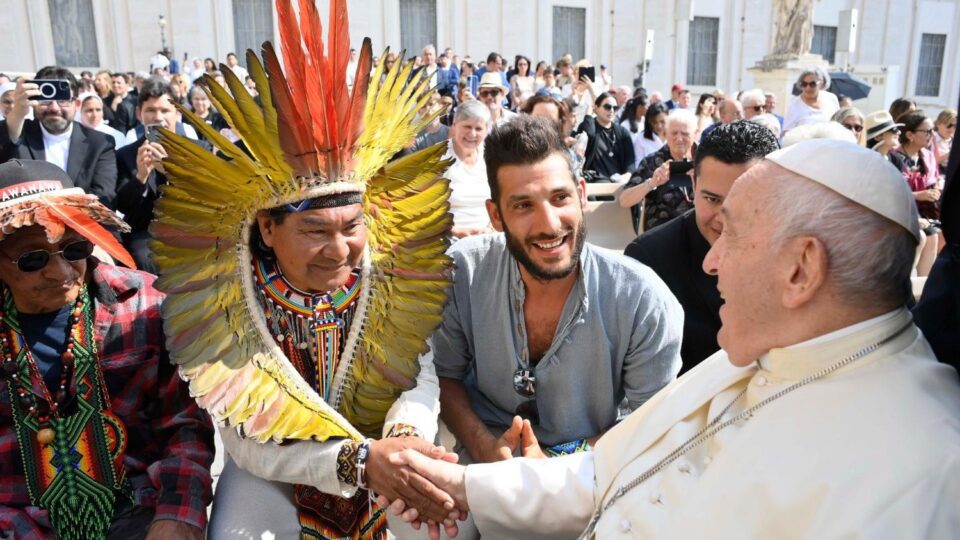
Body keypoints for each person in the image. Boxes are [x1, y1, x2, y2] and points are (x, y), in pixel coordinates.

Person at [388, 139, 960, 540]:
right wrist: (464, 484)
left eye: (730, 235)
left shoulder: (924, 471)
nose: (710, 263)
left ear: (801, 269)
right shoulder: (769, 352)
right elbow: (604, 472)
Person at [150, 1, 465, 537]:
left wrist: (406, 437)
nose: (340, 249)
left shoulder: (386, 272)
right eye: (316, 231)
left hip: (390, 450)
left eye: (352, 226)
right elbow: (246, 439)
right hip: (273, 476)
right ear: (267, 230)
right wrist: (360, 462)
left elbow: (418, 371)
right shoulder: (231, 301)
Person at [432, 110, 681, 471]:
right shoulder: (463, 273)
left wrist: (557, 460)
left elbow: (649, 422)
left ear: (582, 196)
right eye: (523, 205)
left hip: (595, 470)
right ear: (496, 215)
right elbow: (445, 374)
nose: (549, 225)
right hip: (482, 468)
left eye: (560, 198)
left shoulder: (642, 299)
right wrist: (485, 446)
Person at [0, 159, 214, 539]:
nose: (62, 272)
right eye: (32, 259)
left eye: (74, 248)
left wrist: (179, 515)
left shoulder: (147, 304)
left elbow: (184, 426)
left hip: (137, 510)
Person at [625, 121, 780, 372]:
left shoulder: (794, 251)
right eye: (712, 199)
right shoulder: (649, 259)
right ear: (693, 184)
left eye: (741, 200)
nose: (723, 217)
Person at [115, 77, 211, 273]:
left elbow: (206, 197)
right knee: (145, 259)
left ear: (177, 113)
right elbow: (121, 206)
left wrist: (170, 173)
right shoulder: (125, 155)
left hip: (192, 229)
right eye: (150, 110)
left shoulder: (199, 150)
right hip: (145, 234)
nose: (158, 117)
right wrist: (140, 177)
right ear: (139, 113)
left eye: (165, 110)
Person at [0, 67, 118, 209]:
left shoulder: (100, 143)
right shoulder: (20, 133)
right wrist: (18, 112)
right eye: (46, 100)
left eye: (63, 100)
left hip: (83, 225)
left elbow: (103, 194)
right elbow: (5, 150)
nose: (54, 108)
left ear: (77, 104)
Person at [621, 108, 698, 233]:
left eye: (685, 134)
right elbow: (624, 200)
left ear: (695, 134)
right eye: (674, 133)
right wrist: (652, 183)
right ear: (666, 134)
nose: (679, 139)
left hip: (697, 230)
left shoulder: (703, 162)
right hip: (662, 232)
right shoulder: (652, 161)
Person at [444, 100, 493, 237]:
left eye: (478, 128)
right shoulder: (438, 158)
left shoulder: (492, 157)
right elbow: (424, 208)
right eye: (467, 126)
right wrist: (455, 231)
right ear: (454, 126)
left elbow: (501, 200)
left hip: (489, 235)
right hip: (449, 238)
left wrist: (491, 228)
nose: (472, 134)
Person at [576, 93, 635, 182]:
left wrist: (627, 175)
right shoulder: (589, 126)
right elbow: (588, 133)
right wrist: (588, 115)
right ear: (596, 108)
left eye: (615, 108)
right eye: (607, 107)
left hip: (618, 181)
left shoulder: (622, 132)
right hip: (595, 181)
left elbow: (630, 160)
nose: (611, 110)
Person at [782, 67, 840, 134]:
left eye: (812, 84)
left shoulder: (831, 99)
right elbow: (786, 133)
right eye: (804, 84)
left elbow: (838, 124)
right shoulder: (794, 104)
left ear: (822, 83)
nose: (808, 88)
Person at [620, 95, 649, 168]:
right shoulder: (625, 125)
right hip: (629, 161)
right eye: (647, 106)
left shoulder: (645, 122)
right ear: (640, 107)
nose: (648, 109)